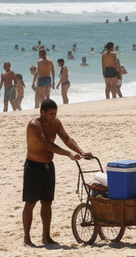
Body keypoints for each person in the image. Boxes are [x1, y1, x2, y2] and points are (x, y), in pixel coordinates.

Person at [23, 99, 93, 246]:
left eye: (55, 113)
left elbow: (66, 138)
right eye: (51, 114)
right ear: (42, 113)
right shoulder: (34, 125)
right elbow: (46, 144)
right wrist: (68, 154)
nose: (54, 116)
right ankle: (27, 238)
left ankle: (46, 237)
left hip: (48, 166)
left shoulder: (56, 123)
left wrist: (81, 152)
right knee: (30, 203)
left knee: (47, 203)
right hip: (33, 167)